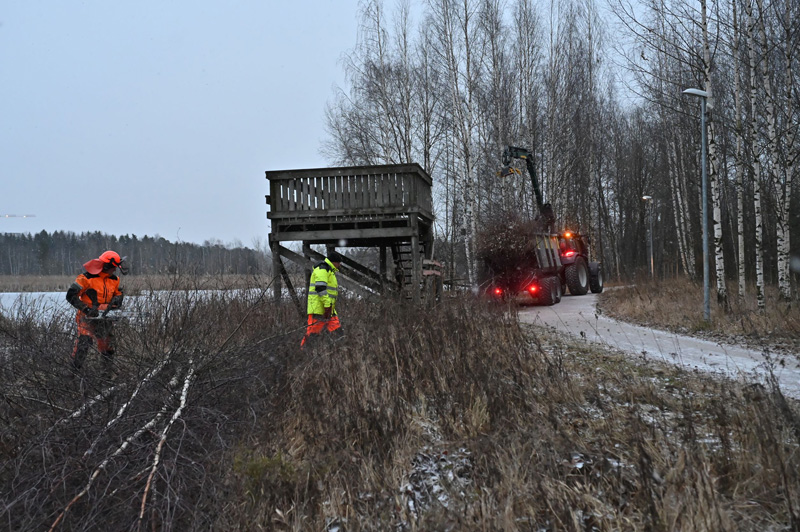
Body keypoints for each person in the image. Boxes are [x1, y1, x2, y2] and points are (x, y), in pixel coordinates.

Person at [65, 250, 128, 369]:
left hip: (105, 318)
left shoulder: (114, 280)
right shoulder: (86, 278)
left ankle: (106, 376)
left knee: (108, 346)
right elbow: (71, 295)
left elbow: (118, 293)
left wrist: (117, 300)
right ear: (106, 266)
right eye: (113, 267)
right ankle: (73, 372)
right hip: (87, 317)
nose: (115, 270)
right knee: (84, 343)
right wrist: (86, 309)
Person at [300, 251, 343, 349]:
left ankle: (342, 354)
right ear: (334, 262)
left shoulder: (329, 271)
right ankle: (302, 354)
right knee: (312, 335)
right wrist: (328, 305)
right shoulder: (322, 269)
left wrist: (329, 307)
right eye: (339, 263)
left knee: (339, 334)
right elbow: (320, 288)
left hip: (329, 310)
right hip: (319, 309)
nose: (339, 265)